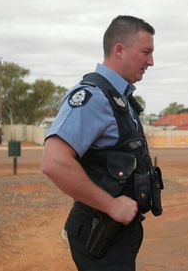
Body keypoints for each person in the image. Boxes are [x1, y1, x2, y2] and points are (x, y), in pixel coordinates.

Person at [42, 15, 162, 271]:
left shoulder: (120, 98)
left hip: (116, 232)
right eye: (146, 52)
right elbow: (54, 162)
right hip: (101, 230)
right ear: (119, 49)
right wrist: (112, 205)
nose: (151, 61)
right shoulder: (93, 97)